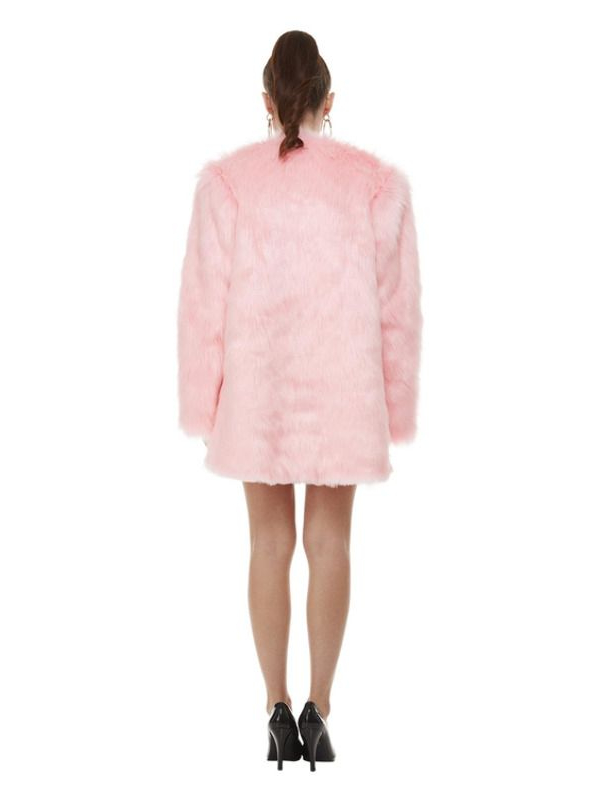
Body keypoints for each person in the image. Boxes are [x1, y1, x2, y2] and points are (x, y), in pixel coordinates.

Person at [176, 30, 423, 771]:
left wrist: (204, 406)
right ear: (328, 99)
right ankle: (319, 708)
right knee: (331, 544)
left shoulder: (227, 184)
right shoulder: (376, 185)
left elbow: (201, 305)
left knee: (268, 545)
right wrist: (394, 408)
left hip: (259, 388)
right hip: (345, 384)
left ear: (267, 101)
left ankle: (276, 709)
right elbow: (399, 311)